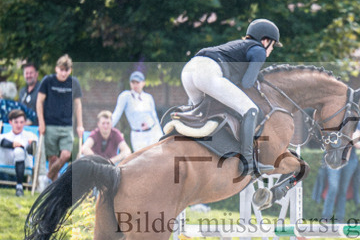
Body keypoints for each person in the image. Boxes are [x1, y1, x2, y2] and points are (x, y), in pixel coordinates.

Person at [181, 19, 280, 176]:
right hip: (207, 72)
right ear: (265, 40)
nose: (272, 49)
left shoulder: (238, 45)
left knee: (202, 113)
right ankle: (247, 162)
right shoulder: (259, 50)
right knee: (251, 110)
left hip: (189, 70)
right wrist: (257, 76)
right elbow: (247, 83)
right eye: (273, 45)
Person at [35, 55, 83, 191]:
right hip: (50, 125)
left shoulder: (74, 83)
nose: (63, 73)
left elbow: (78, 105)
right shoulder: (48, 81)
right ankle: (52, 190)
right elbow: (39, 101)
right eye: (61, 70)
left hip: (67, 125)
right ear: (56, 69)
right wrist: (41, 122)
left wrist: (80, 124)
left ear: (70, 71)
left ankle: (46, 178)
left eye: (66, 70)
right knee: (53, 159)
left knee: (66, 155)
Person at [0, 109, 37, 197]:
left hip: (25, 164)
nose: (19, 125)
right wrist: (13, 144)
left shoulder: (30, 135)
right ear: (10, 122)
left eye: (21, 122)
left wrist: (31, 144)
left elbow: (33, 151)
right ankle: (13, 145)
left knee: (19, 151)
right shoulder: (5, 136)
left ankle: (19, 186)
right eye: (16, 122)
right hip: (6, 163)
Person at [318, 128, 360, 222]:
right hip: (333, 157)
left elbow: (357, 133)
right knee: (333, 187)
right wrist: (350, 140)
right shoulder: (335, 116)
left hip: (350, 159)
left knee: (343, 190)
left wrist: (351, 140)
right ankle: (325, 218)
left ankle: (339, 220)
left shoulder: (354, 116)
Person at [111, 70, 160, 151]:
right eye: (133, 82)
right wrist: (108, 126)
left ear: (143, 83)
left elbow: (154, 117)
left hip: (152, 132)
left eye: (138, 82)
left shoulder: (148, 97)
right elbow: (117, 113)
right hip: (138, 134)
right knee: (141, 159)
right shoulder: (126, 96)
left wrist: (160, 134)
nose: (135, 85)